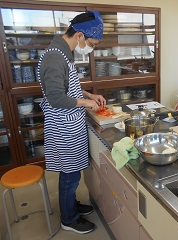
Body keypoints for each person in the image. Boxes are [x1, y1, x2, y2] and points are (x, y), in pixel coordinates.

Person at [37, 11, 106, 234]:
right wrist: (86, 103)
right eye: (91, 42)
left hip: (70, 122)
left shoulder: (64, 51)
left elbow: (69, 86)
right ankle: (69, 219)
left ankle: (70, 206)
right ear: (79, 35)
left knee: (73, 171)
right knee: (70, 173)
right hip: (63, 124)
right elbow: (57, 97)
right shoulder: (55, 57)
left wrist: (89, 94)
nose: (91, 47)